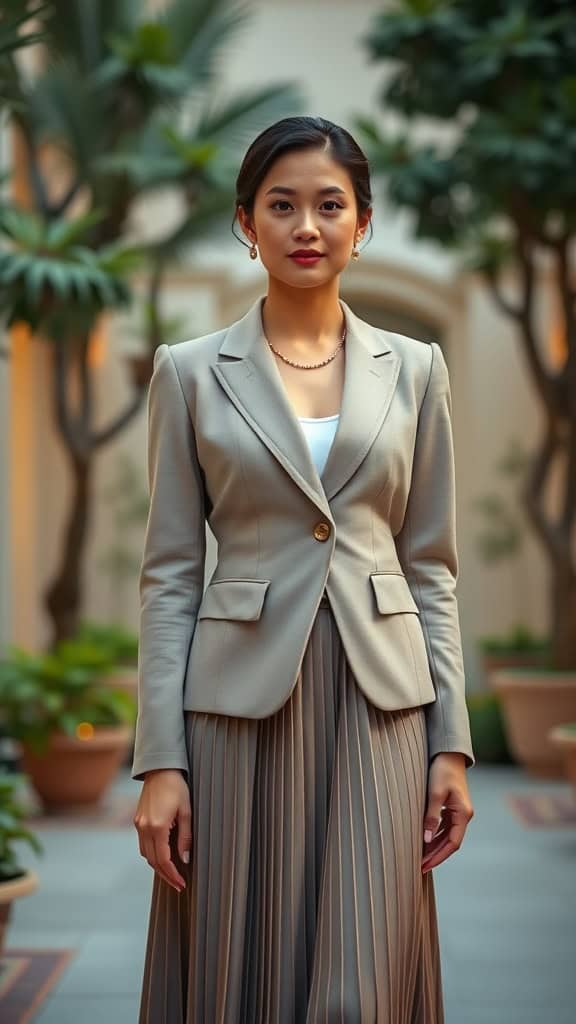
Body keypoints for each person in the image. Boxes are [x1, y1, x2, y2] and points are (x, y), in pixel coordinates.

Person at [132, 115, 475, 1024]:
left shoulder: (416, 369)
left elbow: (430, 566)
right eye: (282, 205)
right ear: (247, 222)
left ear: (364, 222)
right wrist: (160, 762)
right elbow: (169, 574)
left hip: (382, 703)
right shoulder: (191, 373)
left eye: (331, 204)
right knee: (238, 969)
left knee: (363, 979)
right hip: (234, 713)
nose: (307, 226)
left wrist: (452, 742)